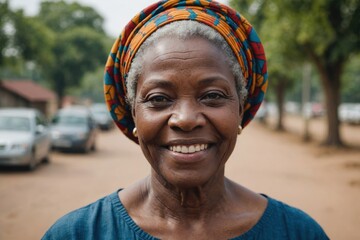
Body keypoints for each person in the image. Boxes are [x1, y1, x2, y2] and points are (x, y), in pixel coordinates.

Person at [42, 0, 329, 239]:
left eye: (212, 95)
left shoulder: (298, 233)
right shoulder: (76, 234)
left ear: (240, 109)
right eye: (158, 99)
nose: (186, 119)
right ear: (133, 115)